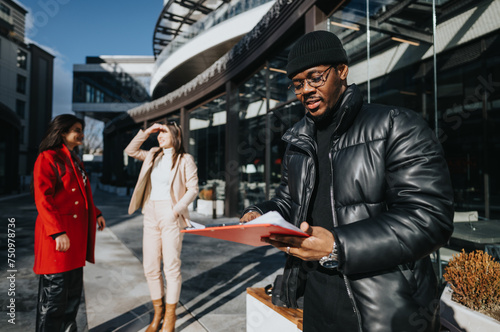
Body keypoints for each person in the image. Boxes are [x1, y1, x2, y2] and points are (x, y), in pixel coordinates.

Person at [240, 30, 454, 332]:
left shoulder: (396, 125)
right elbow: (288, 200)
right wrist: (259, 214)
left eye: (316, 77)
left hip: (384, 308)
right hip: (316, 301)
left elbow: (431, 219)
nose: (306, 91)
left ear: (342, 71)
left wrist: (337, 246)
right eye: (298, 83)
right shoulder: (299, 141)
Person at [33, 114, 106, 332]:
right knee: (54, 299)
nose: (81, 133)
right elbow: (42, 198)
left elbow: (81, 196)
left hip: (74, 238)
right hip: (58, 239)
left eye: (81, 129)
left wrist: (96, 213)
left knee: (72, 296)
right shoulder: (48, 157)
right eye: (76, 129)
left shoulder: (74, 159)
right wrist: (57, 232)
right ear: (62, 132)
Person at [125, 121, 198, 332]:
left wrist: (175, 211)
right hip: (150, 212)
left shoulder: (185, 159)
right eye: (158, 133)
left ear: (176, 135)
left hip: (171, 213)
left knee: (171, 267)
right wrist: (147, 131)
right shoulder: (153, 155)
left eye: (164, 132)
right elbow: (130, 151)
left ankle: (170, 316)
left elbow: (193, 189)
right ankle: (157, 313)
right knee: (150, 266)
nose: (159, 136)